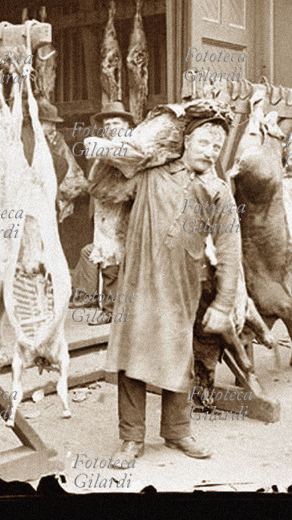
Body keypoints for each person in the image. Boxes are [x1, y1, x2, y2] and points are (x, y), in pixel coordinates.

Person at [103, 113, 241, 465]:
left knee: (179, 351)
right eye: (204, 142)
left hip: (183, 285)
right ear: (186, 140)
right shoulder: (150, 174)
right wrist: (123, 149)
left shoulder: (218, 192)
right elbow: (103, 189)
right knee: (131, 354)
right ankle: (131, 438)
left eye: (218, 146)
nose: (211, 152)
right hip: (139, 279)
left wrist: (224, 304)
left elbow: (229, 248)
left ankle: (177, 431)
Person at [70, 101, 135, 323]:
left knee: (120, 260)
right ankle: (110, 310)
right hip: (104, 212)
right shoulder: (102, 150)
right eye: (107, 124)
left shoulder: (129, 148)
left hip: (124, 211)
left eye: (116, 122)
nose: (111, 127)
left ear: (126, 125)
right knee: (107, 261)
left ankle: (117, 311)